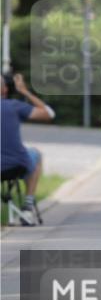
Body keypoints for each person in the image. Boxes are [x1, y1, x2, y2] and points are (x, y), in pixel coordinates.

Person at [1, 72, 55, 222]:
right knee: (36, 154)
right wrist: (24, 91)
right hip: (16, 165)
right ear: (5, 90)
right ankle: (27, 207)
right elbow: (49, 113)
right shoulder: (15, 106)